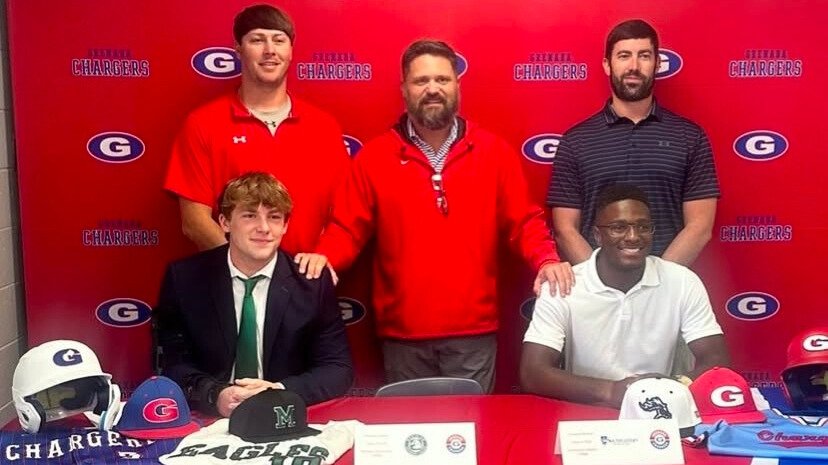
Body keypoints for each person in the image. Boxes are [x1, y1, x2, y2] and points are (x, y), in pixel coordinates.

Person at [298, 39, 573, 393]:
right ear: (404, 89)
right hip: (403, 337)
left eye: (442, 79)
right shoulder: (374, 157)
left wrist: (546, 259)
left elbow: (524, 222)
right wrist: (324, 257)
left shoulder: (494, 153)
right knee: (411, 427)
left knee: (471, 425)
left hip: (473, 335)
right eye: (421, 80)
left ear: (457, 85)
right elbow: (347, 229)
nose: (432, 89)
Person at [153, 172, 353, 417]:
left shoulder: (311, 283)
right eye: (250, 216)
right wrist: (216, 395)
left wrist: (279, 391)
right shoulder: (185, 278)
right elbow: (172, 365)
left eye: (274, 217)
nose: (264, 228)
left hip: (285, 416)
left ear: (285, 226)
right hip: (210, 418)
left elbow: (337, 369)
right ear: (225, 222)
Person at [164, 4, 349, 262]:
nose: (269, 50)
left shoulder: (324, 127)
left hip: (304, 279)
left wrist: (320, 260)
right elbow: (194, 221)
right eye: (257, 40)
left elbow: (345, 216)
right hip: (232, 281)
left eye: (279, 40)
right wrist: (246, 270)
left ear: (291, 50)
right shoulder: (203, 124)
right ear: (238, 49)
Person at [520, 183, 729, 408]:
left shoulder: (682, 281)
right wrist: (612, 391)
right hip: (584, 409)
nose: (633, 237)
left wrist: (664, 388)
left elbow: (717, 361)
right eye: (618, 228)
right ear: (598, 235)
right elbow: (533, 373)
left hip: (659, 407)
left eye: (643, 227)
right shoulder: (564, 284)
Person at [547, 19, 719, 267]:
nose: (634, 66)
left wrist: (659, 281)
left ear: (657, 64)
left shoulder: (690, 137)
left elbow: (699, 227)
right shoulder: (575, 141)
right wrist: (599, 280)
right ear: (607, 65)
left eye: (644, 56)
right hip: (597, 286)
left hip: (668, 283)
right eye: (624, 56)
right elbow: (565, 229)